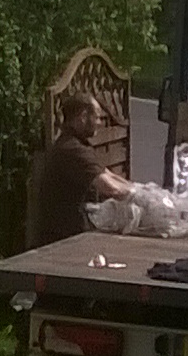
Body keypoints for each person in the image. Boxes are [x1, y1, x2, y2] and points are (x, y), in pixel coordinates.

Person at [33, 90, 135, 246]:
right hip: (64, 242)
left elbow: (107, 174)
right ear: (82, 116)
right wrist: (145, 200)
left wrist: (139, 189)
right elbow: (112, 189)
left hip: (77, 233)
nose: (100, 123)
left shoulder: (75, 144)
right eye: (97, 117)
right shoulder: (72, 150)